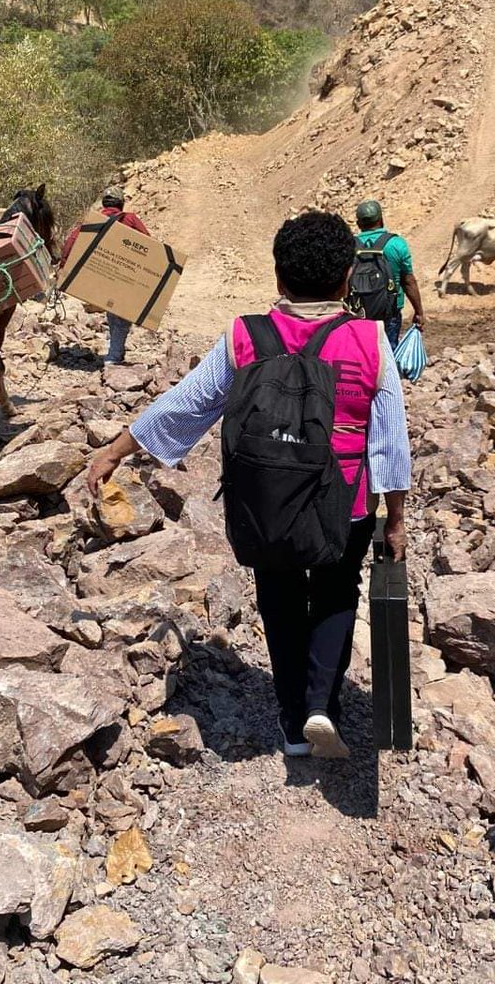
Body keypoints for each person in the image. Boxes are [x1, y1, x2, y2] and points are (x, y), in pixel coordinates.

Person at [87, 211, 411, 760]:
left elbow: (186, 404)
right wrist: (396, 518)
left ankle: (290, 728)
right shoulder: (371, 341)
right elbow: (389, 442)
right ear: (345, 280)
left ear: (279, 278)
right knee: (336, 594)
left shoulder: (245, 336)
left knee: (280, 599)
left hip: (266, 503)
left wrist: (118, 449)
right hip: (346, 504)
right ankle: (319, 707)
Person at [60, 183, 151, 366]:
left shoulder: (94, 220)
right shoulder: (130, 219)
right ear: (120, 204)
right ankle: (114, 354)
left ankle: (115, 350)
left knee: (112, 311)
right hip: (126, 276)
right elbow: (149, 244)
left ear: (104, 202)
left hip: (102, 276)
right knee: (122, 314)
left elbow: (71, 240)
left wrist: (64, 267)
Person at [354, 199, 425, 350]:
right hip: (389, 311)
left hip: (359, 313)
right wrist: (418, 311)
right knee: (388, 354)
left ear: (359, 224)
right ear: (381, 219)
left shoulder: (348, 246)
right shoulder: (396, 244)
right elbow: (408, 281)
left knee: (362, 353)